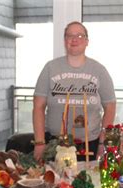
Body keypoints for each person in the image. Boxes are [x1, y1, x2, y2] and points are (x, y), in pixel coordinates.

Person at [33, 21, 116, 162]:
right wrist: (40, 143)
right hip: (55, 144)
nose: (74, 39)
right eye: (70, 35)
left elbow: (110, 107)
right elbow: (38, 107)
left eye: (79, 35)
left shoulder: (99, 70)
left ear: (87, 41)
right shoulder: (50, 68)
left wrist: (103, 142)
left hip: (90, 144)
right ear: (65, 40)